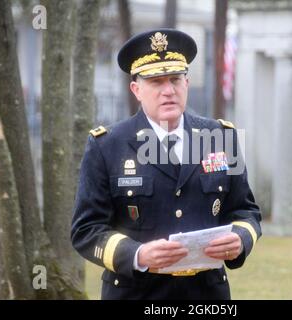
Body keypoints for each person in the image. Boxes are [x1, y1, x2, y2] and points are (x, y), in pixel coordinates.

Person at [71, 28, 262, 300]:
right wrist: (137, 254)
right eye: (156, 82)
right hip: (135, 293)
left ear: (187, 83)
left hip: (207, 295)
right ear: (136, 89)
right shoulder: (107, 145)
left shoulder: (220, 138)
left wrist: (241, 239)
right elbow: (86, 230)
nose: (168, 91)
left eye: (175, 79)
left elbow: (246, 212)